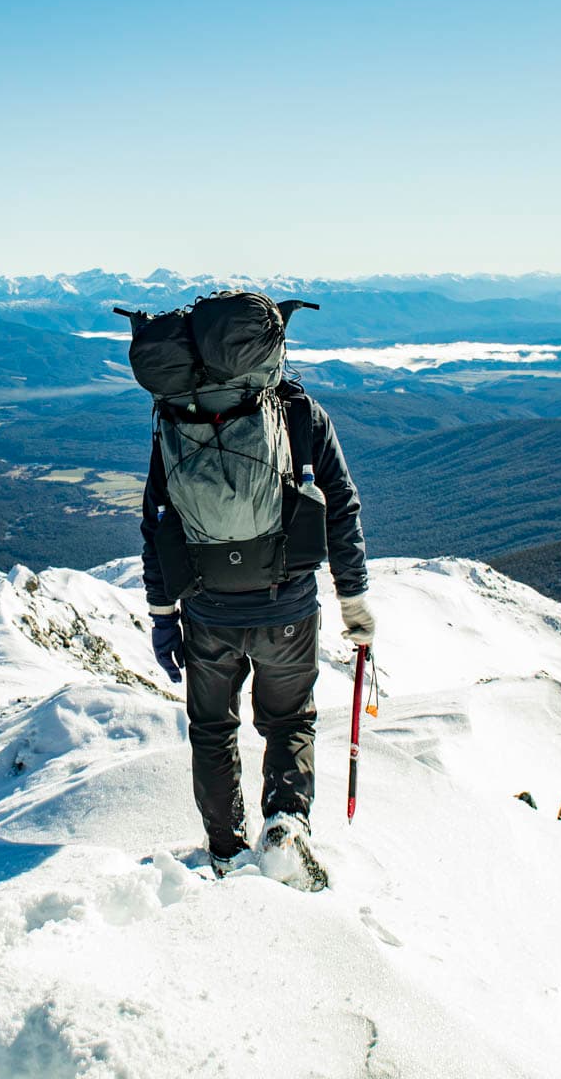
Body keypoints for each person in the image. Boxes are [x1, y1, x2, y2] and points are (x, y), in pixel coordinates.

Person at [140, 374, 375, 879]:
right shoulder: (300, 413)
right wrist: (352, 597)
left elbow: (156, 521)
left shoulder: (180, 416)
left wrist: (163, 616)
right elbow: (341, 505)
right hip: (286, 607)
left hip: (208, 614)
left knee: (211, 730)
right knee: (289, 721)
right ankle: (285, 827)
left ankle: (226, 850)